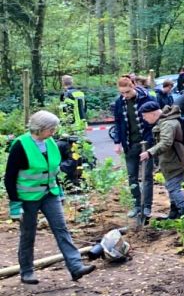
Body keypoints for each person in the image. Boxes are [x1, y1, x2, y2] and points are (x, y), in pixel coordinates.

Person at [5, 111, 96, 285]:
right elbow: (9, 177)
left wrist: (60, 192)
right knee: (28, 234)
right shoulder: (20, 145)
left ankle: (76, 267)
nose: (54, 131)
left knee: (61, 229)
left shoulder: (50, 143)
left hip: (50, 194)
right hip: (28, 198)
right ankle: (27, 271)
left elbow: (53, 171)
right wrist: (15, 205)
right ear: (39, 129)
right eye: (51, 128)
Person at [138, 102, 184, 220]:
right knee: (170, 186)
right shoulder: (164, 122)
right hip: (171, 160)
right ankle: (175, 213)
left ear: (152, 114)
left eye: (145, 116)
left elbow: (166, 142)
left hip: (177, 160)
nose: (144, 119)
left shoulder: (167, 124)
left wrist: (149, 152)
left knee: (173, 187)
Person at [110, 75, 155, 219]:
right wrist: (117, 142)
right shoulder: (120, 102)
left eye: (127, 92)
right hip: (129, 144)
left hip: (146, 143)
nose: (125, 95)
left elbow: (153, 121)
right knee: (132, 176)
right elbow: (118, 122)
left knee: (147, 176)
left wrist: (149, 142)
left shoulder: (147, 98)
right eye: (122, 93)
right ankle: (137, 205)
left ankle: (146, 206)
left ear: (134, 85)